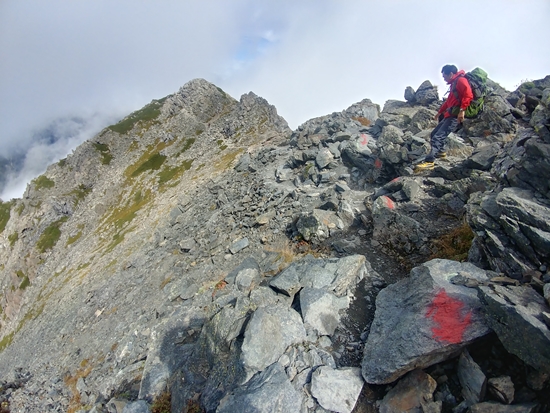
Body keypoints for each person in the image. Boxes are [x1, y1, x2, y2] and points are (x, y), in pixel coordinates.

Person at [414, 64, 473, 172]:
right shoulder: (454, 83)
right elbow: (449, 101)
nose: (443, 78)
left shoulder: (461, 81)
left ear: (451, 74)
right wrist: (439, 112)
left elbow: (468, 95)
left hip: (454, 116)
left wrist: (462, 111)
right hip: (449, 115)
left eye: (444, 75)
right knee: (434, 134)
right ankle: (441, 152)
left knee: (438, 137)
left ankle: (429, 162)